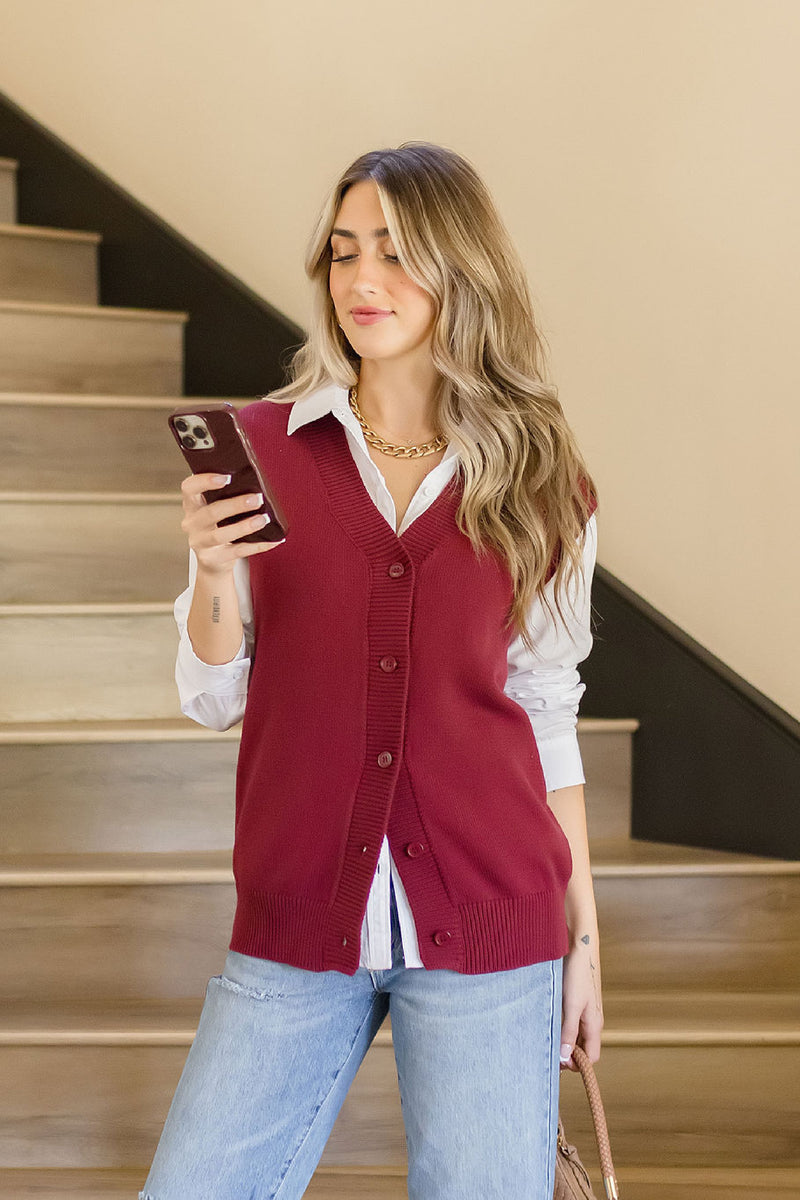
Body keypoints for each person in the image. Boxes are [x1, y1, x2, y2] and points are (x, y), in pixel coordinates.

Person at [140, 142, 603, 1200]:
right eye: (343, 253)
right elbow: (211, 695)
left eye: (395, 255)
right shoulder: (263, 448)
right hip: (298, 911)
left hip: (494, 927)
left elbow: (544, 716)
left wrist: (584, 944)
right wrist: (216, 571)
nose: (360, 281)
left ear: (460, 271)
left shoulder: (541, 481)